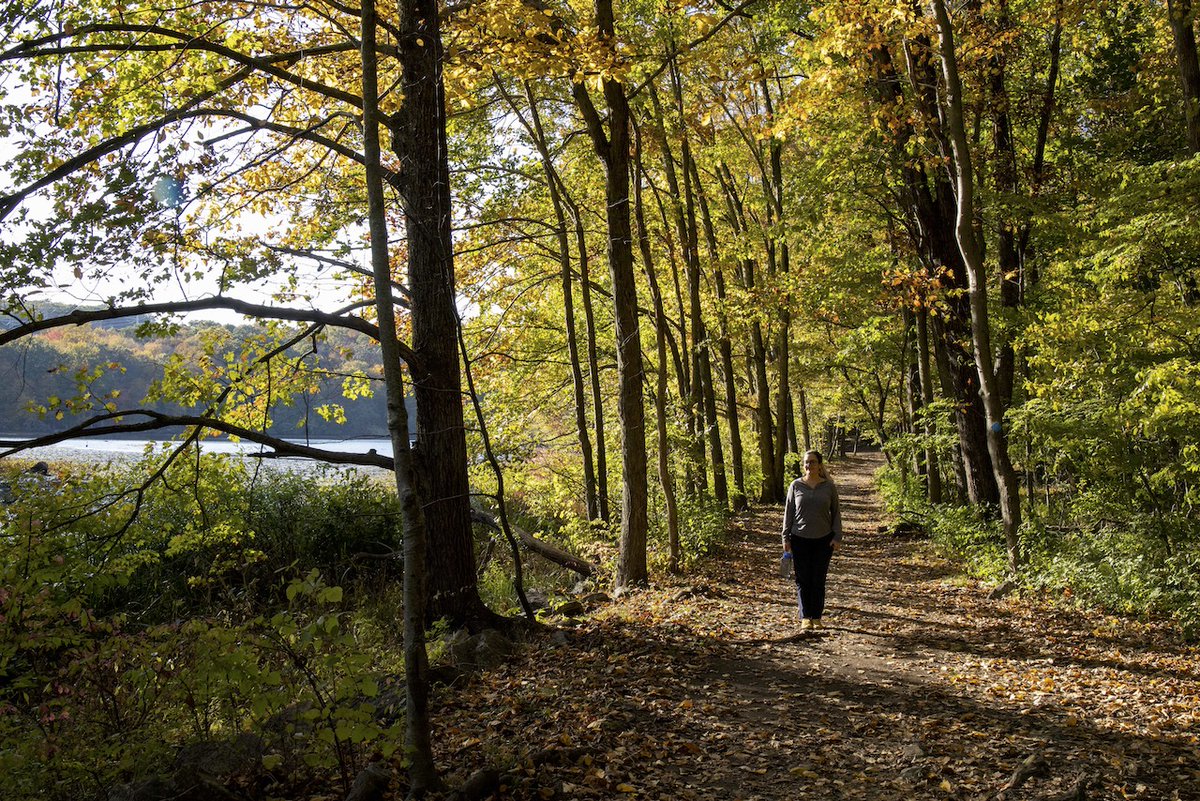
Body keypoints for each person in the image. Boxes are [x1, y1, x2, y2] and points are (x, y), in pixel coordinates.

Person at [781, 450, 843, 630]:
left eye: (813, 462)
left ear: (820, 465)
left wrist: (837, 536)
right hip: (799, 538)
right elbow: (789, 513)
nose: (809, 466)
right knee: (803, 578)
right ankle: (805, 616)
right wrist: (786, 538)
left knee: (818, 579)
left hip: (823, 540)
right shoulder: (796, 486)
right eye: (807, 462)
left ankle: (816, 616)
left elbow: (836, 513)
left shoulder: (829, 487)